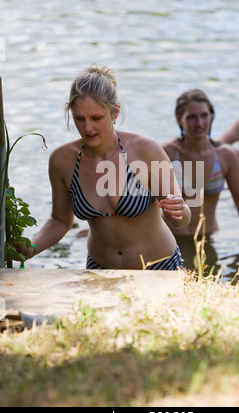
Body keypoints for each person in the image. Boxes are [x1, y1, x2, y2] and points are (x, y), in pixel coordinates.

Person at [20, 66, 191, 270]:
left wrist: (180, 211)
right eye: (79, 119)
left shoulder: (146, 151)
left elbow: (182, 221)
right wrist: (31, 248)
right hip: (99, 270)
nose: (87, 128)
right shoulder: (62, 161)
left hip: (159, 267)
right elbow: (60, 220)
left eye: (96, 118)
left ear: (115, 111)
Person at [162, 89, 239, 269]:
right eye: (192, 117)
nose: (200, 123)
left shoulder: (225, 155)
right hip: (171, 240)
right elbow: (150, 200)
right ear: (179, 120)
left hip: (207, 239)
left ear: (212, 117)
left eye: (204, 115)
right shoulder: (166, 153)